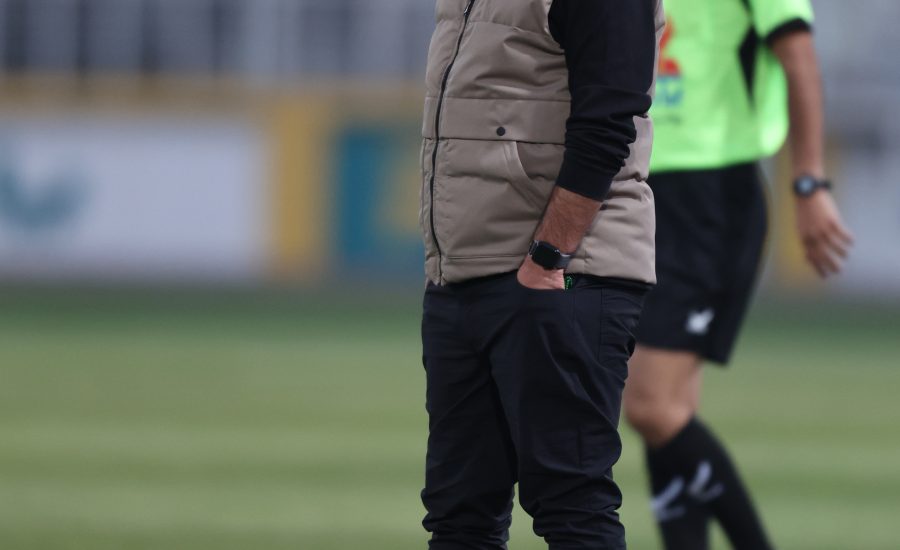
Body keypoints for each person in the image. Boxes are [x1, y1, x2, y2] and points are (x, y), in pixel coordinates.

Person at [418, 0, 663, 548]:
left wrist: (550, 256)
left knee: (571, 506)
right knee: (458, 517)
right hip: (463, 272)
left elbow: (609, 119)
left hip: (562, 273)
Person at [621, 0, 854, 548]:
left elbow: (798, 56)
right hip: (641, 183)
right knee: (671, 412)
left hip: (711, 194)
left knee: (651, 406)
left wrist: (809, 181)